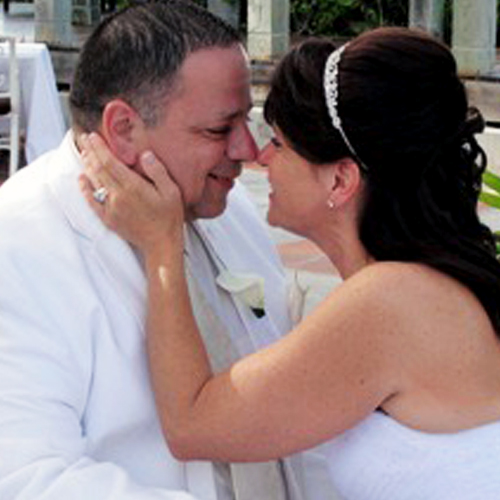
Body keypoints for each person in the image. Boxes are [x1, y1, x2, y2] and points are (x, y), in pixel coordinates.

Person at [80, 27, 500, 500]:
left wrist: (161, 244)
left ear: (341, 180)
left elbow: (193, 425)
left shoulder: (391, 300)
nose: (258, 157)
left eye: (279, 143)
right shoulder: (425, 286)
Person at [0, 1, 330, 499]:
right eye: (219, 130)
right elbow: (26, 478)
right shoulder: (18, 244)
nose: (247, 150)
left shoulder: (229, 207)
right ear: (124, 128)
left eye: (246, 121)